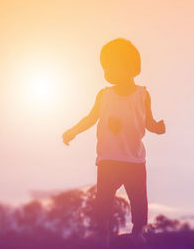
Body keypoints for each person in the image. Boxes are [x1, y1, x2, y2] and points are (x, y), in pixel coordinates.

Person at [62, 38, 166, 247]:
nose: (107, 70)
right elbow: (90, 118)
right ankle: (104, 235)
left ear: (130, 67)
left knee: (138, 199)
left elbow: (148, 122)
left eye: (112, 65)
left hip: (134, 158)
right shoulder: (104, 95)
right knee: (103, 199)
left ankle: (137, 232)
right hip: (108, 158)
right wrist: (73, 131)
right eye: (104, 66)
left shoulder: (142, 95)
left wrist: (158, 127)